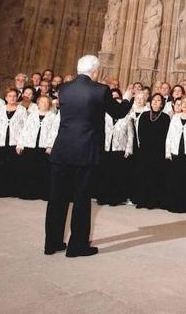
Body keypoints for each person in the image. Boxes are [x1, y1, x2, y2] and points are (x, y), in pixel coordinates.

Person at [45, 55, 132, 258]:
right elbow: (118, 113)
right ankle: (77, 246)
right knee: (81, 199)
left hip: (62, 150)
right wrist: (127, 97)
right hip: (86, 151)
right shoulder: (100, 90)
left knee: (57, 199)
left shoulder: (63, 89)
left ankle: (52, 243)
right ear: (96, 71)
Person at [0, 88, 27, 198]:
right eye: (10, 96)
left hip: (14, 143)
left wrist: (21, 144)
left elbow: (26, 129)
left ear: (17, 97)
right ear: (6, 98)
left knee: (13, 168)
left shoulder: (22, 110)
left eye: (14, 96)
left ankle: (11, 191)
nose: (12, 98)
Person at [95, 89, 135, 206]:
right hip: (106, 148)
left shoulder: (126, 118)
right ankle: (103, 197)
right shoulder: (105, 116)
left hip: (120, 149)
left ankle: (115, 198)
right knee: (104, 174)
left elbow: (130, 135)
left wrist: (129, 149)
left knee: (117, 175)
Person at [16, 95, 59, 200]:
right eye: (41, 102)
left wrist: (50, 145)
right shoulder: (31, 115)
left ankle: (43, 193)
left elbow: (54, 132)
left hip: (44, 147)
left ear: (49, 104)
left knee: (43, 171)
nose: (43, 104)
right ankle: (29, 193)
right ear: (38, 104)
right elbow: (25, 130)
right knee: (29, 170)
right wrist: (20, 144)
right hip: (30, 146)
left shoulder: (53, 116)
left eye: (46, 102)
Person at [135, 94, 171, 209]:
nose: (155, 102)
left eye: (158, 100)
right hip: (145, 151)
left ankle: (153, 201)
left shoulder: (165, 117)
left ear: (162, 104)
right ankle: (142, 200)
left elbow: (166, 135)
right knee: (143, 175)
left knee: (155, 176)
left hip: (158, 151)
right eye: (154, 100)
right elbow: (140, 132)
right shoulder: (144, 115)